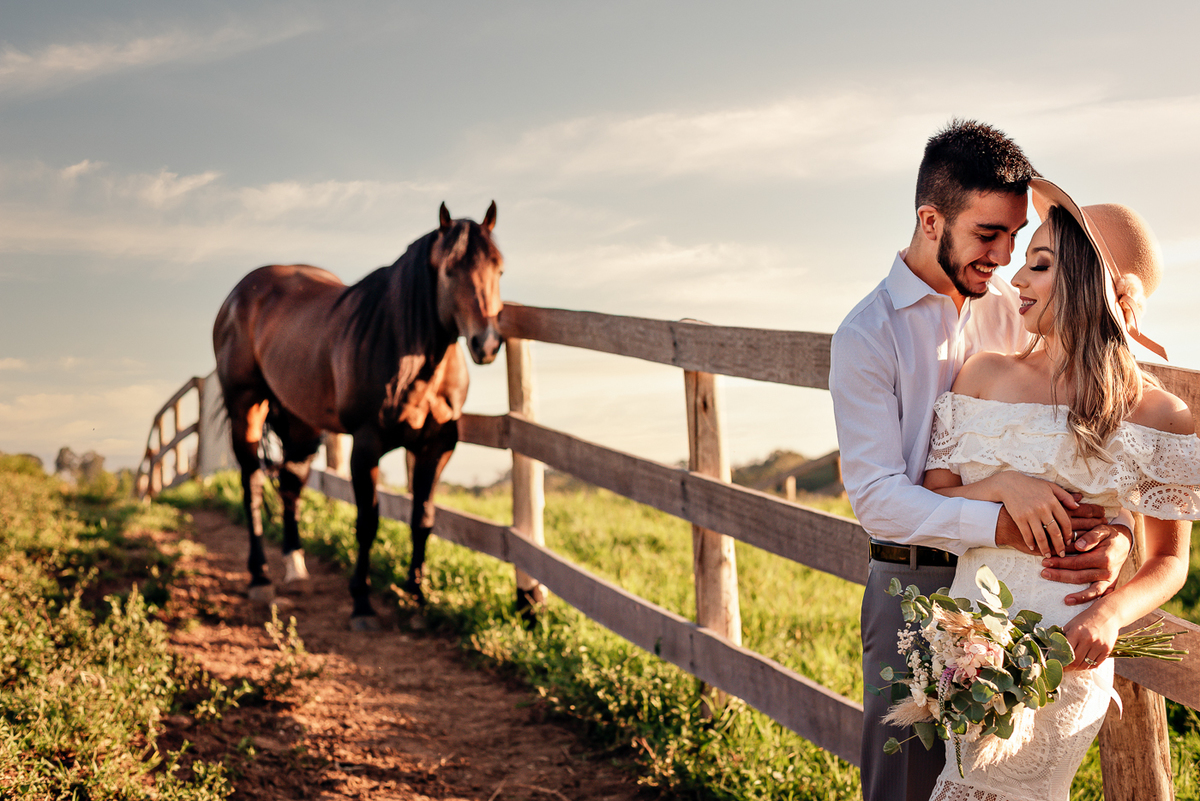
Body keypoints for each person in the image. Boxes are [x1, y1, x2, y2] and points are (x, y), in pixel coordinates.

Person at [829, 120, 1133, 801]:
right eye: (987, 234)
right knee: (905, 789)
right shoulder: (867, 335)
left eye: (1015, 236)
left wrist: (1115, 537)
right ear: (930, 218)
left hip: (1019, 591)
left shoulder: (1015, 304)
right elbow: (876, 497)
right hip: (912, 590)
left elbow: (1083, 422)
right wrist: (998, 515)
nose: (1003, 255)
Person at [919, 178, 1197, 800]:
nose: (1016, 280)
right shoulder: (985, 374)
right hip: (969, 647)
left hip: (1070, 655)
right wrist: (999, 486)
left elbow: (1169, 561)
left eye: (1040, 264)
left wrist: (1109, 613)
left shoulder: (1158, 415)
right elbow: (933, 498)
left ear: (1093, 283)